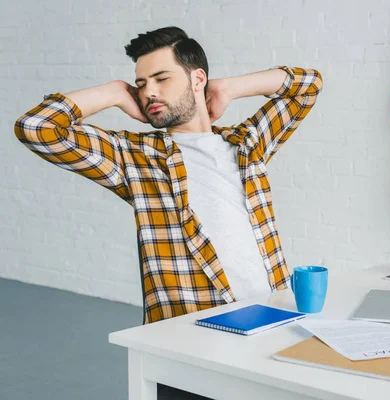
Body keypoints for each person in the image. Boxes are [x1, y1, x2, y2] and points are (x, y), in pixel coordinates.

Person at [14, 26, 322, 400]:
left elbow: (307, 85)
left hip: (272, 324)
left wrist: (229, 87)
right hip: (192, 339)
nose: (148, 93)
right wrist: (114, 92)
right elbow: (36, 128)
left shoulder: (247, 145)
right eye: (140, 84)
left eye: (161, 78)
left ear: (197, 79)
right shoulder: (133, 157)